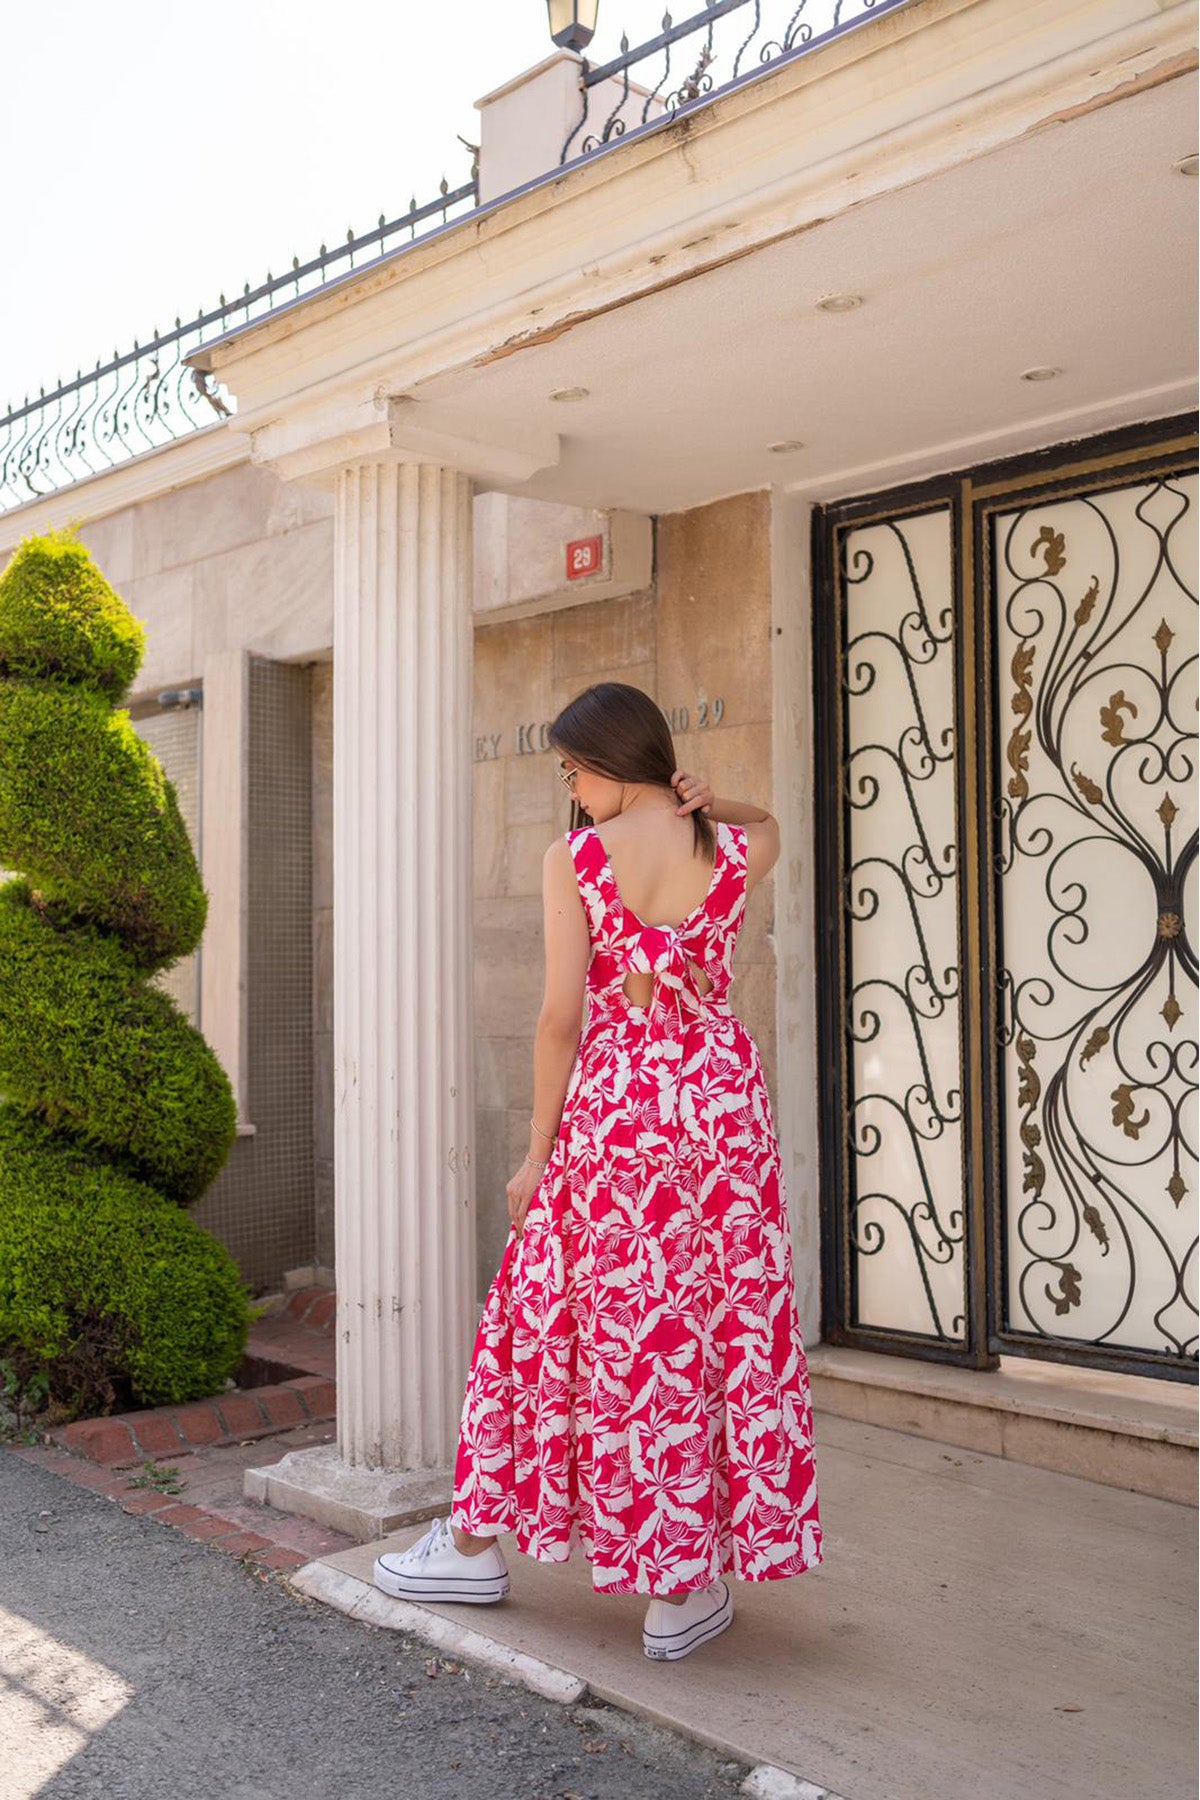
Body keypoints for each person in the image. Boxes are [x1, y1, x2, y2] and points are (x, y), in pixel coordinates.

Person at [374, 681, 822, 1662]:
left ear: (616, 761)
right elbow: (776, 822)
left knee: (562, 1318)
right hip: (720, 1114)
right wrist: (707, 801)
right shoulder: (731, 851)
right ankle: (681, 1591)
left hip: (619, 1119)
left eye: (577, 770)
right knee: (712, 1329)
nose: (573, 790)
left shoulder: (576, 859)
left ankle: (476, 1543)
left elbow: (560, 1019)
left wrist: (537, 1152)